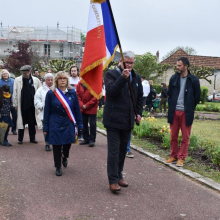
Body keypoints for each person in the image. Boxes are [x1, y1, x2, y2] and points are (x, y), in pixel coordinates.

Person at [103, 51, 143, 192]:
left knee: (121, 151)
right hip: (113, 120)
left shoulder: (136, 77)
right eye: (127, 62)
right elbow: (111, 92)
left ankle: (119, 175)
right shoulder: (111, 74)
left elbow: (139, 98)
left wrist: (139, 113)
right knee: (113, 151)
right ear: (121, 62)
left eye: (132, 62)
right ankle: (112, 180)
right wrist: (122, 78)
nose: (130, 65)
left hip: (127, 121)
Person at [43, 71, 83, 176]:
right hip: (55, 123)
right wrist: (45, 128)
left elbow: (77, 111)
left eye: (64, 78)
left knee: (67, 145)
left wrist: (80, 125)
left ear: (67, 80)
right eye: (60, 78)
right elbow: (46, 112)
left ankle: (65, 156)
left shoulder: (72, 93)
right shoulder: (51, 93)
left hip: (68, 123)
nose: (62, 80)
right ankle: (58, 166)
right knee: (56, 145)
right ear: (57, 80)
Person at [165, 57, 200, 167]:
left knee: (185, 137)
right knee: (173, 136)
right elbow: (169, 94)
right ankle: (173, 155)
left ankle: (181, 158)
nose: (177, 67)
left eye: (179, 65)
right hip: (174, 111)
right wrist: (172, 106)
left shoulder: (194, 80)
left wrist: (189, 107)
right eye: (177, 65)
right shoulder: (174, 78)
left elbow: (197, 97)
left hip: (186, 113)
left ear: (186, 66)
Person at [13, 65, 41, 144]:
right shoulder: (17, 80)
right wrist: (15, 104)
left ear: (30, 72)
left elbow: (40, 92)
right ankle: (20, 139)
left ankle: (32, 138)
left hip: (32, 105)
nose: (24, 74)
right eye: (23, 73)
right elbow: (15, 92)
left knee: (32, 122)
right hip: (22, 104)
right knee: (21, 122)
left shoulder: (36, 80)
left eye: (25, 73)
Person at [34, 73, 54, 151]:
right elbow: (36, 100)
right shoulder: (40, 90)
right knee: (46, 129)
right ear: (45, 80)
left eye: (51, 80)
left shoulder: (56, 88)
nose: (50, 81)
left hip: (55, 112)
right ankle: (47, 143)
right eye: (48, 80)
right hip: (44, 112)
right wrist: (41, 106)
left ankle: (56, 142)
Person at [76, 80, 99, 147]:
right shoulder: (79, 83)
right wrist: (82, 104)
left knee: (92, 124)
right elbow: (77, 95)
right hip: (83, 107)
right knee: (84, 123)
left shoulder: (94, 83)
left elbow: (96, 96)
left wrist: (87, 105)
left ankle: (92, 139)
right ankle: (86, 138)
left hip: (92, 107)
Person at [0, 69, 17, 135]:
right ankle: (4, 130)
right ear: (2, 75)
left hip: (12, 101)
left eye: (6, 73)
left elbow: (15, 90)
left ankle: (14, 129)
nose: (5, 75)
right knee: (4, 117)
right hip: (3, 102)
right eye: (3, 74)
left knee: (15, 115)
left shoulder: (13, 81)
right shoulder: (0, 81)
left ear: (8, 74)